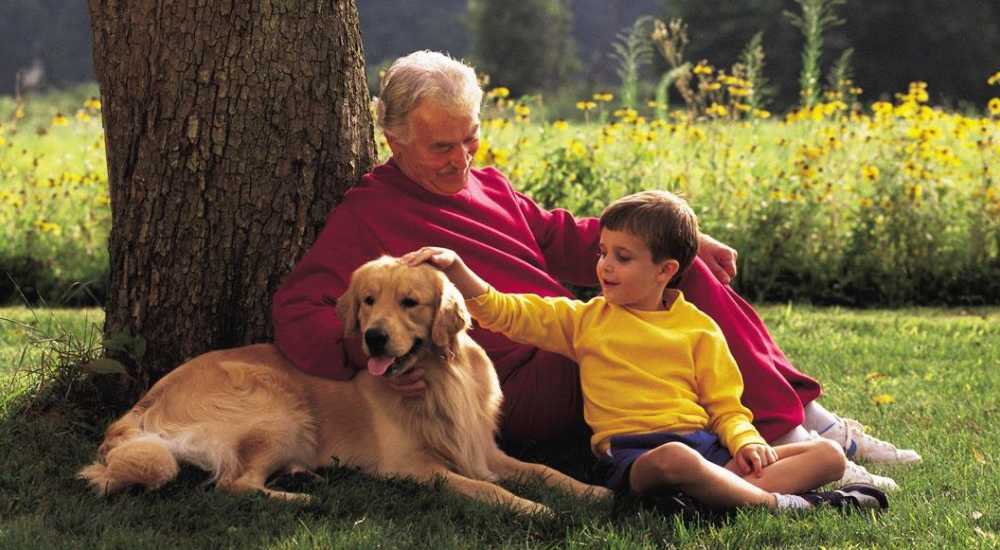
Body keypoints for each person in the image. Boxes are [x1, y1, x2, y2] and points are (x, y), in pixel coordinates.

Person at [270, 50, 919, 490]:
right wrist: (369, 358)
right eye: (443, 146)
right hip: (518, 379)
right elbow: (298, 310)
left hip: (574, 332)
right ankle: (789, 440)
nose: (461, 159)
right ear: (394, 138)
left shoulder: (488, 184)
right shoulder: (368, 213)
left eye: (470, 138)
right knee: (642, 317)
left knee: (673, 267)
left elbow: (564, 236)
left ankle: (810, 425)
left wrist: (691, 242)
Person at [399, 190, 887, 513]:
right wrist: (460, 272)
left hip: (708, 450)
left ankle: (715, 498)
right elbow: (506, 312)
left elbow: (725, 406)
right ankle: (784, 504)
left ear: (664, 271)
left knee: (826, 454)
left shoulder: (698, 329)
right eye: (602, 253)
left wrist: (745, 443)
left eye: (622, 258)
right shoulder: (584, 320)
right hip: (635, 458)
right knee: (675, 459)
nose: (605, 267)